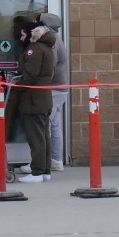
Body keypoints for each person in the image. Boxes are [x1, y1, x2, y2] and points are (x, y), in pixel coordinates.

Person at [6, 12, 56, 181]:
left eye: (22, 34)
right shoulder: (47, 47)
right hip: (43, 97)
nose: (21, 38)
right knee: (43, 135)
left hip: (34, 99)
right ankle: (45, 171)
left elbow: (30, 76)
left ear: (30, 34)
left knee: (36, 137)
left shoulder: (34, 49)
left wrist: (13, 85)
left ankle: (37, 171)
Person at [46, 11, 70, 172]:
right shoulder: (58, 39)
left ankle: (43, 162)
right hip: (60, 88)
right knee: (55, 125)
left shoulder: (52, 41)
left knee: (44, 124)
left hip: (54, 88)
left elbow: (50, 64)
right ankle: (56, 159)